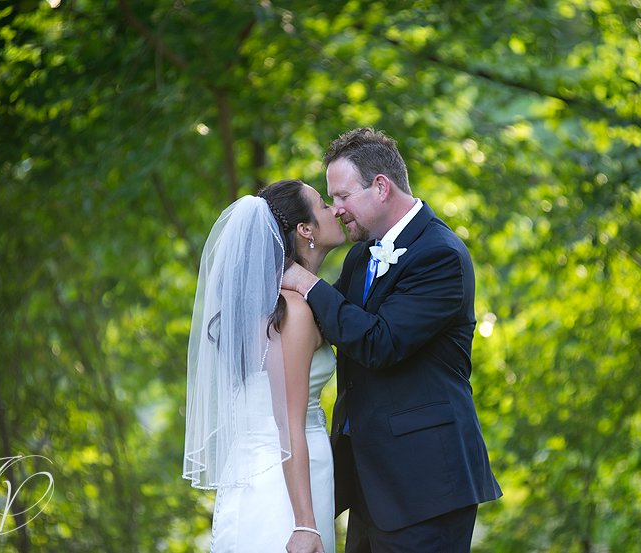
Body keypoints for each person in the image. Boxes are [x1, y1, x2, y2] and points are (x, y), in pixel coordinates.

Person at [281, 128, 501, 552]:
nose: (336, 209)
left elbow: (380, 343)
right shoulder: (362, 254)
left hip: (425, 486)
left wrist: (306, 282)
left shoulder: (441, 255)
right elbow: (330, 323)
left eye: (342, 196)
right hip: (370, 482)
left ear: (381, 187)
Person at [183, 180, 346, 553]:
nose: (335, 209)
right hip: (285, 489)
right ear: (304, 230)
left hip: (254, 473)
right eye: (323, 205)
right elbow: (288, 425)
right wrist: (305, 523)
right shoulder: (293, 312)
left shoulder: (262, 310)